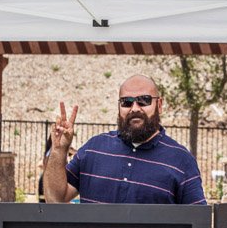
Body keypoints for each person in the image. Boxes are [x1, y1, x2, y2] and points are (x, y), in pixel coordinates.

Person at [44, 74, 206, 205]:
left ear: (159, 105)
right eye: (127, 102)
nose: (135, 108)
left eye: (144, 100)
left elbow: (197, 224)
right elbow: (55, 199)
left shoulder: (182, 160)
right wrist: (59, 150)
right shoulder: (93, 149)